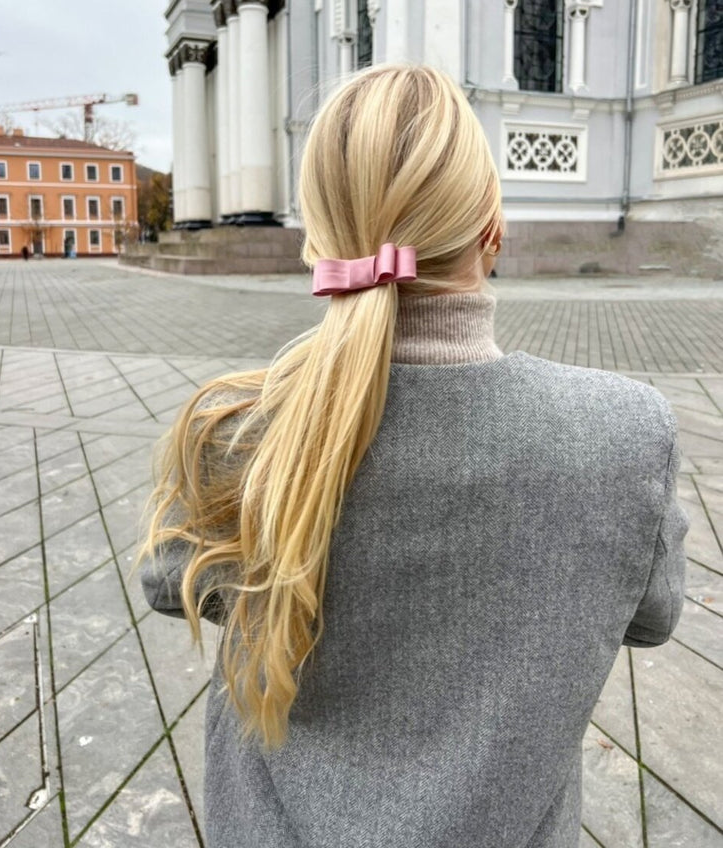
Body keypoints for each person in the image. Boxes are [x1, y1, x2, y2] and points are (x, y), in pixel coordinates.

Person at [139, 64, 688, 848]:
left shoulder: (238, 430)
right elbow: (654, 616)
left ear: (319, 244)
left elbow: (169, 584)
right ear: (492, 227)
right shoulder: (627, 432)